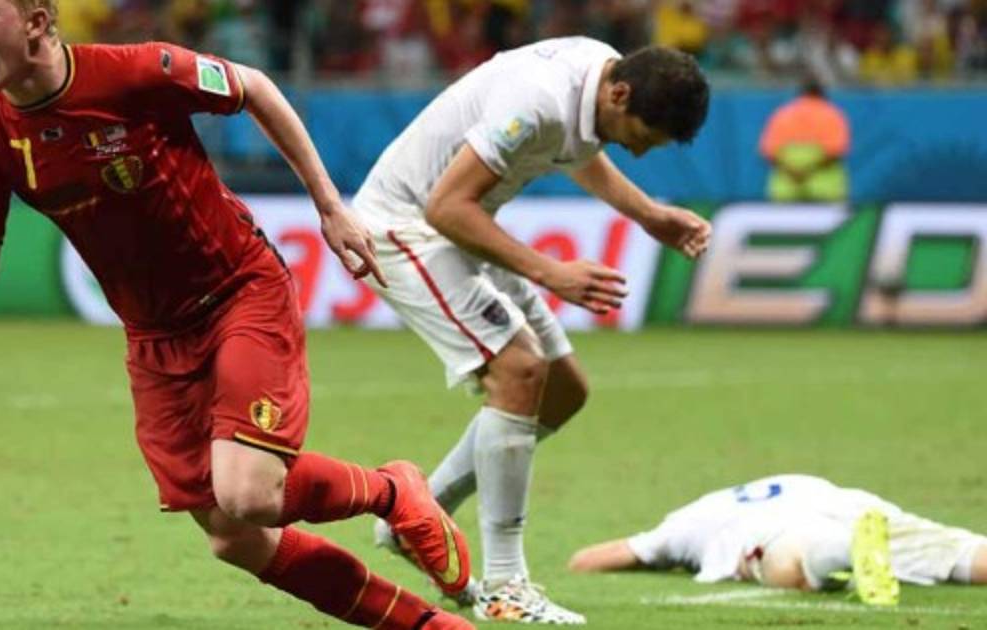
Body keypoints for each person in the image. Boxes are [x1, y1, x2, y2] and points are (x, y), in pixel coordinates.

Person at [0, 1, 473, 628]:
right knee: (233, 537)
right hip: (153, 337)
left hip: (237, 292)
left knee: (247, 492)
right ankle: (427, 624)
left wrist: (330, 206)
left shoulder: (135, 72)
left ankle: (393, 491)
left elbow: (255, 87)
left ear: (37, 22)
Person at [351, 37, 712, 624]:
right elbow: (446, 207)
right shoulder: (538, 98)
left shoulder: (598, 74)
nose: (642, 151)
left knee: (563, 390)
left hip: (463, 225)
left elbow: (577, 151)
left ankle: (417, 519)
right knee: (519, 370)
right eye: (644, 135)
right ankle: (505, 587)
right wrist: (551, 272)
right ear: (620, 94)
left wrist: (649, 215)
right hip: (404, 229)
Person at [568, 474, 987, 605]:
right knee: (958, 552)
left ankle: (845, 551)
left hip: (775, 529)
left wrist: (660, 557)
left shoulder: (678, 528)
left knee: (791, 564)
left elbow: (588, 560)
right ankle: (858, 546)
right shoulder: (757, 489)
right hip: (847, 500)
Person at [758, 76, 850, 202]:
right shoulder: (832, 114)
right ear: (822, 94)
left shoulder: (782, 114)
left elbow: (768, 153)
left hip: (787, 187)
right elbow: (836, 152)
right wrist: (807, 173)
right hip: (823, 188)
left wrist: (793, 173)